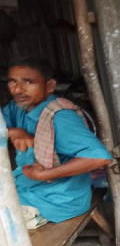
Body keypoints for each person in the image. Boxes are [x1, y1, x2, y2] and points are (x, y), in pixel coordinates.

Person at [2, 57, 112, 224]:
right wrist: (12, 131)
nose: (18, 89)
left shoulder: (59, 116)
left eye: (28, 82)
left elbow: (98, 157)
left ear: (50, 86)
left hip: (57, 200)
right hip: (28, 188)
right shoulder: (18, 108)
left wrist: (45, 174)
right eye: (12, 82)